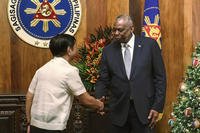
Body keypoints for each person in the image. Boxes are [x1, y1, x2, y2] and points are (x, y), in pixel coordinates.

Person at [95, 15, 166, 133]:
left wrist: (157, 106)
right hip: (118, 109)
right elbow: (103, 79)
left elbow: (160, 78)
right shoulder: (108, 50)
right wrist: (99, 97)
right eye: (114, 29)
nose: (116, 33)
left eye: (120, 30)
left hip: (144, 109)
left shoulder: (149, 45)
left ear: (131, 29)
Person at [26, 34, 104, 133]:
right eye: (75, 46)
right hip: (53, 129)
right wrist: (100, 105)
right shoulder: (70, 71)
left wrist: (29, 123)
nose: (77, 48)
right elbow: (85, 100)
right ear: (69, 50)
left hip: (34, 126)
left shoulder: (41, 70)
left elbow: (29, 97)